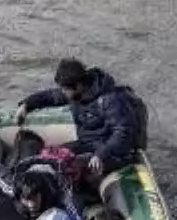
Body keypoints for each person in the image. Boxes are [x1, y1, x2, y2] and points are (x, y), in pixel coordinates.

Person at [14, 58, 148, 193]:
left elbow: (123, 132)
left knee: (67, 167)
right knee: (51, 158)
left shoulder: (110, 100)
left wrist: (101, 154)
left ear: (78, 85)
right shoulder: (75, 94)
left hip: (110, 153)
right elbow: (50, 96)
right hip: (86, 145)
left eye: (65, 89)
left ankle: (82, 195)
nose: (63, 92)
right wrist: (27, 104)